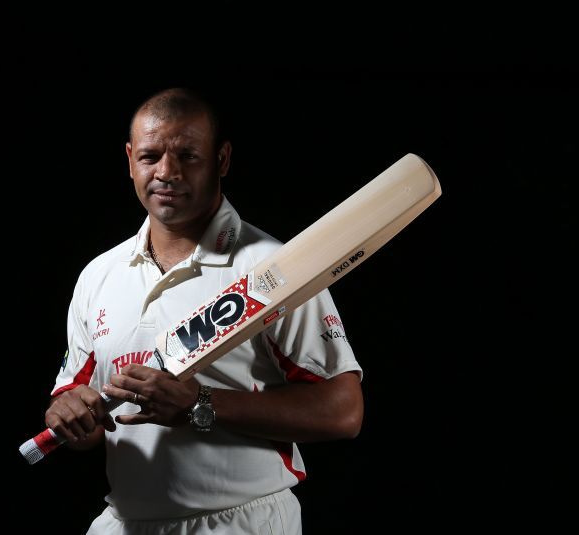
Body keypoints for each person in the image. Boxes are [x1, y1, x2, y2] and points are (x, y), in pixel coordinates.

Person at [45, 87, 364, 534]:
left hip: (240, 521)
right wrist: (68, 416)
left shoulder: (273, 268)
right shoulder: (99, 275)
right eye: (150, 156)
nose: (166, 173)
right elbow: (79, 403)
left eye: (188, 156)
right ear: (129, 160)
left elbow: (343, 411)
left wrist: (200, 403)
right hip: (127, 522)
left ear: (222, 160)